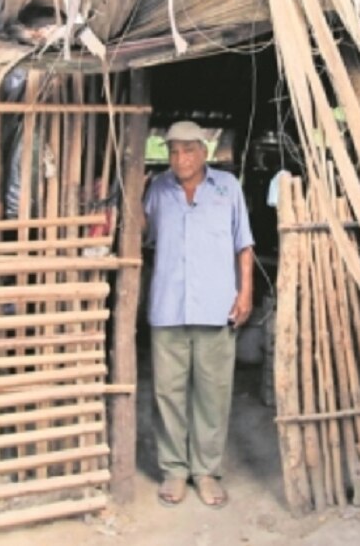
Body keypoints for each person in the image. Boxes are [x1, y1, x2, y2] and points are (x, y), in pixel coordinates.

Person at [143, 120, 254, 509]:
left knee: (213, 393)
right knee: (168, 393)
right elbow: (142, 235)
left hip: (216, 305)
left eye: (188, 150)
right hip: (168, 307)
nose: (180, 158)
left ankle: (205, 470)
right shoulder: (156, 190)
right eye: (173, 151)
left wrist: (246, 293)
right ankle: (174, 469)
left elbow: (244, 244)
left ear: (203, 152)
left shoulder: (228, 188)